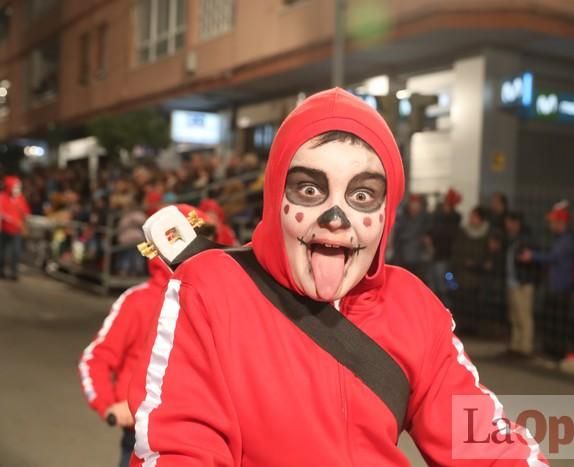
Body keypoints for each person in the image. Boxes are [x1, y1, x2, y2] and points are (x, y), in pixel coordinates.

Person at [128, 88, 546, 466]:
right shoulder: (212, 289)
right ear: (276, 196)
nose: (334, 218)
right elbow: (180, 447)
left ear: (387, 214)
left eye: (362, 195)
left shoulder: (412, 307)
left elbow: (488, 446)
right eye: (310, 190)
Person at [78, 205, 210, 467]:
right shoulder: (138, 301)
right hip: (145, 437)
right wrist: (109, 404)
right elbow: (95, 359)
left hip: (206, 441)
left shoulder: (220, 298)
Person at [520, 201, 574, 359]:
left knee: (559, 323)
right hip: (555, 286)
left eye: (553, 222)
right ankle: (552, 350)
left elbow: (554, 257)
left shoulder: (567, 241)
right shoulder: (560, 239)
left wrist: (532, 256)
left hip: (562, 288)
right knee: (552, 321)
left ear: (561, 222)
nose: (551, 225)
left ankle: (558, 352)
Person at [451, 206, 490, 333]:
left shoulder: (487, 234)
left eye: (474, 216)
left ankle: (474, 328)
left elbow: (488, 255)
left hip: (478, 276)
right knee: (461, 301)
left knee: (474, 303)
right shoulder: (463, 232)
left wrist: (477, 263)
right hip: (462, 274)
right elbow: (456, 251)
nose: (471, 219)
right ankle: (461, 326)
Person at [504, 211, 539, 357]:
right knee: (515, 315)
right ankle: (516, 344)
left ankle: (525, 346)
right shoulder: (514, 239)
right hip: (513, 282)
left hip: (522, 283)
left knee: (524, 315)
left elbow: (527, 260)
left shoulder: (525, 239)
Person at [426, 188, 462, 305]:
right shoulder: (439, 216)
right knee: (434, 280)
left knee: (445, 279)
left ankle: (449, 302)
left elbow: (446, 234)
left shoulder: (454, 218)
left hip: (446, 254)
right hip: (436, 253)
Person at [392, 193, 431, 281]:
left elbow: (428, 237)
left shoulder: (425, 219)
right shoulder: (402, 218)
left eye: (417, 204)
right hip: (403, 258)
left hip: (419, 259)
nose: (414, 207)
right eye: (413, 204)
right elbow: (397, 239)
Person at [0, 175, 30, 280]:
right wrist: (13, 220)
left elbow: (25, 212)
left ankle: (14, 272)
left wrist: (23, 223)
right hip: (4, 230)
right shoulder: (2, 197)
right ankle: (1, 270)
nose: (17, 189)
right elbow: (2, 213)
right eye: (15, 186)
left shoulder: (20, 198)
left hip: (16, 231)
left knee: (16, 252)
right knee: (2, 252)